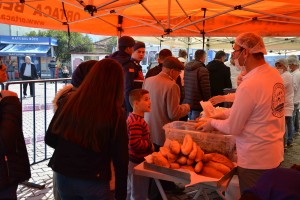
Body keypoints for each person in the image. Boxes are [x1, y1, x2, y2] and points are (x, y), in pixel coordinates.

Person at [196, 32, 285, 195]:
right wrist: (220, 114)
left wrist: (212, 123)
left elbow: (233, 127)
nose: (233, 55)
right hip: (274, 152)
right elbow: (255, 110)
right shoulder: (273, 74)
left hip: (255, 158)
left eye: (235, 51)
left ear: (245, 52)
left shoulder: (250, 83)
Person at [45, 58, 128, 200]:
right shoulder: (115, 113)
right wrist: (121, 194)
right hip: (93, 179)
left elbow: (50, 138)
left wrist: (72, 149)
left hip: (64, 175)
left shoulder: (69, 101)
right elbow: (120, 158)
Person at [143, 56, 190, 148]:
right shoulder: (172, 86)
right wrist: (186, 107)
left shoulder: (147, 81)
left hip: (148, 131)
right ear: (172, 71)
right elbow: (173, 113)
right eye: (179, 72)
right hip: (163, 134)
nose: (179, 75)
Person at [0, 62, 31, 199]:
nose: (4, 67)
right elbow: (5, 140)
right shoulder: (8, 98)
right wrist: (11, 102)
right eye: (0, 64)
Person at [126, 89, 154, 200]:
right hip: (137, 163)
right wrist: (149, 145)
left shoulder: (134, 118)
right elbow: (135, 144)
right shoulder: (136, 122)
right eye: (146, 99)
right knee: (139, 194)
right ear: (136, 103)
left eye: (149, 99)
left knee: (130, 189)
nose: (150, 102)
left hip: (133, 161)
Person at [108, 36, 136, 115]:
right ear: (127, 49)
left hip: (108, 100)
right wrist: (130, 109)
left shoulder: (109, 60)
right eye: (132, 48)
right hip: (121, 103)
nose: (133, 50)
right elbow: (128, 87)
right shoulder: (128, 64)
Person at [183, 49, 211, 120]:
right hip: (198, 103)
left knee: (189, 124)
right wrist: (207, 102)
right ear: (202, 58)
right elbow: (205, 89)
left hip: (187, 101)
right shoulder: (203, 70)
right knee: (195, 125)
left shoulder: (186, 67)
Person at [275, 58, 294, 149]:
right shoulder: (285, 75)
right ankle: (288, 141)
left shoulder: (286, 76)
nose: (278, 67)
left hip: (286, 104)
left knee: (284, 125)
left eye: (280, 66)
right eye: (277, 66)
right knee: (287, 124)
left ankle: (285, 143)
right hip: (285, 103)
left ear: (285, 66)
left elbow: (277, 86)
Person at [124, 41, 146, 113]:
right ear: (133, 52)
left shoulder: (137, 66)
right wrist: (130, 108)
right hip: (131, 103)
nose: (141, 54)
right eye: (139, 52)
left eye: (143, 52)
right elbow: (128, 88)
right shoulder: (131, 66)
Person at [287, 55, 300, 138]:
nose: (289, 66)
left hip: (294, 99)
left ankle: (290, 137)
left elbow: (294, 87)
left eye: (290, 64)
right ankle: (295, 132)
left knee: (290, 119)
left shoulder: (296, 74)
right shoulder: (296, 73)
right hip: (296, 98)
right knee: (295, 117)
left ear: (293, 64)